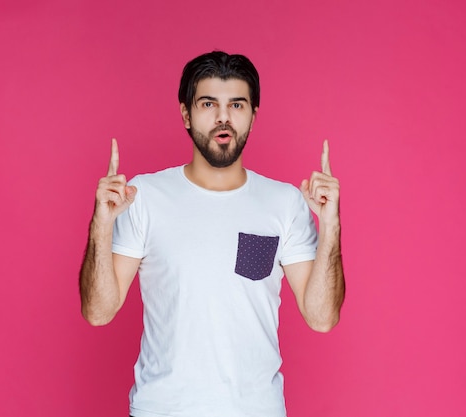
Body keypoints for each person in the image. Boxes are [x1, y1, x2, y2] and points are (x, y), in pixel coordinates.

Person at [79, 51, 345, 417]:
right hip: (162, 410)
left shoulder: (284, 203)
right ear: (187, 114)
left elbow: (322, 317)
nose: (223, 117)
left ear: (253, 116)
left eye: (237, 104)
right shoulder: (143, 197)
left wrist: (330, 224)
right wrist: (102, 225)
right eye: (208, 103)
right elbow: (98, 311)